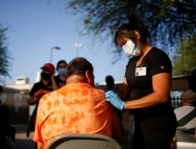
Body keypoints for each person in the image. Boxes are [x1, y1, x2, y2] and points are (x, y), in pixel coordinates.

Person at [105, 13, 177, 149]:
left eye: (125, 43)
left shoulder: (157, 57)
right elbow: (124, 93)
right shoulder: (132, 62)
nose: (124, 48)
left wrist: (125, 105)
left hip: (157, 123)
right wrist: (105, 98)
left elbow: (162, 95)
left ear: (137, 35)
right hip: (137, 122)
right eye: (121, 46)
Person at [33, 57, 124, 149]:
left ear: (67, 77)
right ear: (88, 75)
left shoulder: (45, 101)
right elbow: (119, 136)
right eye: (94, 77)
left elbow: (40, 145)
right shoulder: (104, 97)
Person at [26, 63, 58, 138]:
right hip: (39, 113)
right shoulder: (36, 85)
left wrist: (53, 78)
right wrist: (37, 99)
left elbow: (57, 93)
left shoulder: (54, 83)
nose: (43, 72)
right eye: (43, 70)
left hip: (52, 114)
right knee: (39, 137)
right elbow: (29, 101)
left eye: (46, 70)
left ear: (52, 72)